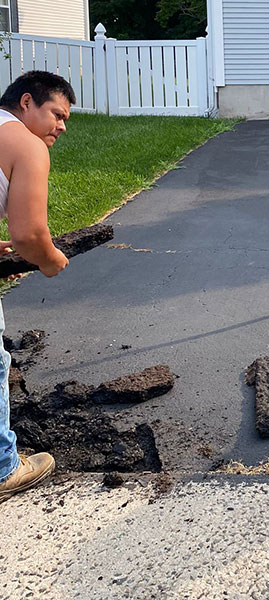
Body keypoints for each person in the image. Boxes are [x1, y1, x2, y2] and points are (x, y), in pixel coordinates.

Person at [0, 71, 74, 503]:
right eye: (56, 114)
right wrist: (49, 261)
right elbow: (29, 235)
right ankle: (4, 466)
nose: (61, 126)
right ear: (26, 102)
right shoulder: (26, 144)